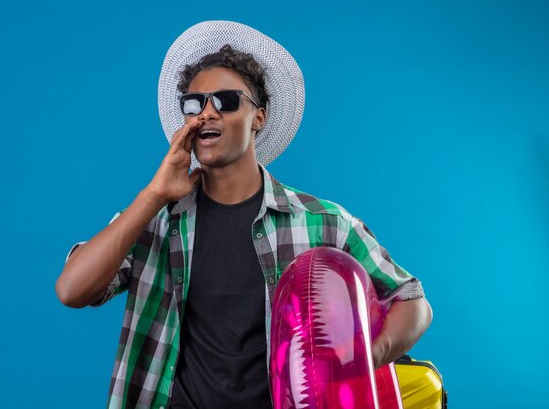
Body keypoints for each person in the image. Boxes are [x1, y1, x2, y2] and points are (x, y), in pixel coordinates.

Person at [55, 20, 432, 409]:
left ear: (259, 117)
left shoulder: (322, 221)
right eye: (194, 103)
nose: (206, 113)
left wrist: (367, 359)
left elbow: (412, 298)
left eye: (226, 100)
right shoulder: (154, 218)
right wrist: (153, 196)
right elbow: (71, 290)